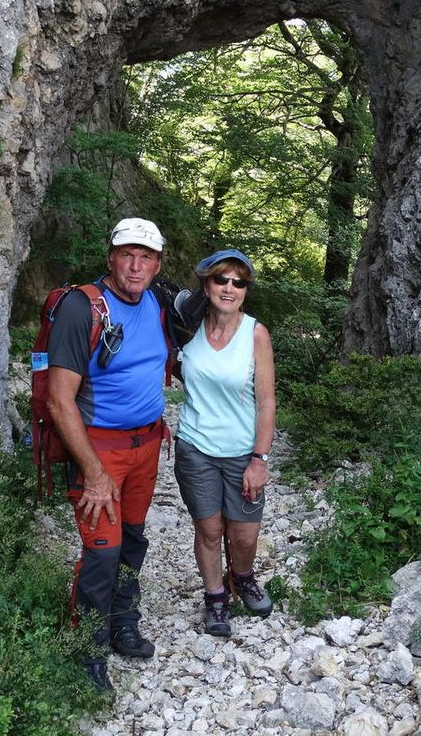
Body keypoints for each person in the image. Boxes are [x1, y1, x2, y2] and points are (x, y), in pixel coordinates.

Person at [46, 217, 170, 692]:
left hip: (146, 445)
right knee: (102, 550)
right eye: (127, 255)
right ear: (110, 258)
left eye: (146, 257)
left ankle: (123, 623)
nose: (136, 266)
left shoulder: (156, 302)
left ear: (157, 265)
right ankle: (89, 650)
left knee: (133, 538)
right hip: (100, 450)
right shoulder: (84, 308)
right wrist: (94, 472)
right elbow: (60, 400)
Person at [173, 249, 276, 636]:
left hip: (241, 453)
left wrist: (259, 459)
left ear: (246, 290)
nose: (229, 288)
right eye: (222, 279)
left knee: (244, 534)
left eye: (239, 282)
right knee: (209, 531)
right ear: (207, 283)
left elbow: (266, 402)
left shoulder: (255, 334)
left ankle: (243, 577)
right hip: (195, 448)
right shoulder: (186, 328)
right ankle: (216, 597)